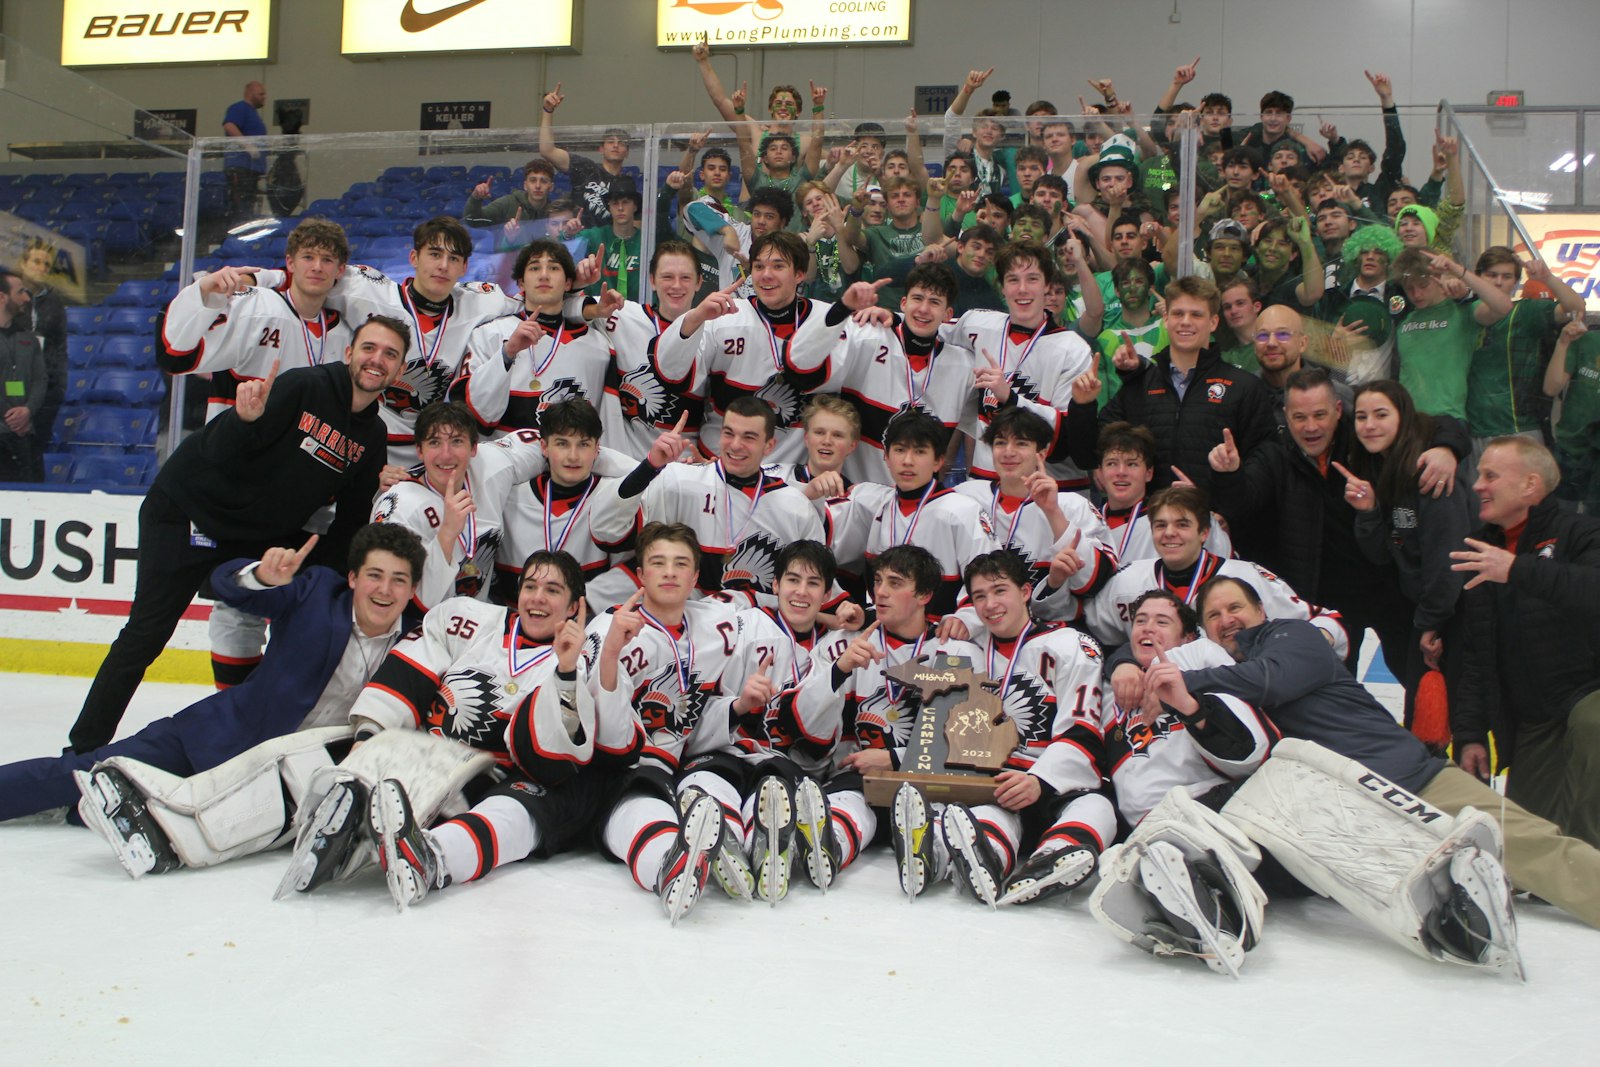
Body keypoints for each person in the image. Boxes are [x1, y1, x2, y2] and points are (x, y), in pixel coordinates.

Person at [1174, 575, 1600, 929]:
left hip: (1413, 780)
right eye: (1214, 615)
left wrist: (1178, 681)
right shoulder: (1226, 680)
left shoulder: (1292, 636)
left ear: (1260, 612)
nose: (1227, 620)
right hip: (1354, 814)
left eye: (1235, 609)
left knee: (1535, 849)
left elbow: (1271, 680)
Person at [65, 316, 408, 753]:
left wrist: (337, 584)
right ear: (349, 353)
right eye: (369, 348)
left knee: (286, 623)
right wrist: (241, 421)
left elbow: (351, 520)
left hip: (246, 540)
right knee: (146, 635)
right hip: (186, 513)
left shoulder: (372, 434)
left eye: (389, 354)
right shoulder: (304, 387)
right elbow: (217, 450)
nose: (376, 360)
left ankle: (241, 746)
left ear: (398, 370)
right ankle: (81, 753)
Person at [1, 524, 421, 826]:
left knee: (145, 812)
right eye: (374, 576)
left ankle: (87, 811)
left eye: (398, 580)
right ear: (352, 579)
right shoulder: (317, 592)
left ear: (412, 589)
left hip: (272, 783)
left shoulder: (416, 646)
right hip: (215, 739)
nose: (384, 590)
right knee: (85, 774)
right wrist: (261, 577)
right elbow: (227, 583)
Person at [335, 549, 617, 909]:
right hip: (428, 756)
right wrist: (368, 737)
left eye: (553, 590)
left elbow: (557, 759)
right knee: (346, 746)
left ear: (575, 606)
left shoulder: (587, 655)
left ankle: (431, 859)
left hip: (501, 777)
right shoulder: (468, 620)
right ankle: (328, 808)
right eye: (530, 586)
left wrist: (566, 671)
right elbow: (411, 669)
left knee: (517, 807)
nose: (538, 598)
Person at [161, 218, 358, 687]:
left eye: (327, 259)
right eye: (306, 257)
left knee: (296, 595)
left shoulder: (346, 331)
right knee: (239, 599)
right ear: (289, 263)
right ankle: (232, 706)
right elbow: (179, 355)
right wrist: (245, 281)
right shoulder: (256, 307)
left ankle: (274, 705)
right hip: (244, 484)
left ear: (339, 269)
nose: (317, 266)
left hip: (306, 490)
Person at [1207, 367, 1463, 671]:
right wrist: (1228, 474)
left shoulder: (1364, 439)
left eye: (1320, 415)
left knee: (1415, 674)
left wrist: (1447, 449)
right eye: (1299, 417)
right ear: (1286, 415)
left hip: (1388, 586)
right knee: (1336, 691)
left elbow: (1437, 425)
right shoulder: (1275, 455)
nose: (1310, 427)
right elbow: (1242, 501)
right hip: (1325, 599)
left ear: (1339, 410)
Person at [768, 544, 983, 896]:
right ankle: (823, 847)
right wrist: (839, 671)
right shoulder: (842, 645)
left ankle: (933, 856)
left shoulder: (957, 652)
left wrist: (894, 758)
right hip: (856, 780)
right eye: (878, 580)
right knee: (845, 802)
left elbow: (968, 748)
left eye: (895, 583)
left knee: (939, 811)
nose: (880, 592)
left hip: (930, 783)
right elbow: (803, 728)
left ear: (926, 594)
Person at [245, 216, 525, 465]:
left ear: (465, 267)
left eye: (453, 259)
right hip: (367, 443)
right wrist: (257, 276)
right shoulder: (370, 291)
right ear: (414, 258)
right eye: (435, 254)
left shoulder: (480, 301)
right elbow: (313, 276)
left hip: (435, 450)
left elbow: (531, 301)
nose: (443, 266)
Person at [585, 523, 750, 922]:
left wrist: (740, 705)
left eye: (681, 564)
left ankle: (737, 843)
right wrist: (609, 656)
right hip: (617, 768)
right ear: (640, 574)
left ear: (696, 577)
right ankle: (670, 865)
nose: (670, 572)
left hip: (677, 764)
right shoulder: (610, 629)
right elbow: (598, 726)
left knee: (728, 767)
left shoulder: (715, 623)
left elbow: (771, 607)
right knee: (637, 804)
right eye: (658, 563)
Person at [1450, 437, 1600, 851]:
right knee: (1524, 850)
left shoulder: (1581, 532)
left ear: (1530, 486)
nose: (1478, 485)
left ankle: (1591, 871)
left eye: (1490, 476)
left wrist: (1517, 569)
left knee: (1594, 725)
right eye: (1478, 475)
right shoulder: (1482, 549)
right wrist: (1470, 733)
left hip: (1590, 693)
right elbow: (1478, 654)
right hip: (1536, 713)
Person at [1068, 275, 1277, 496]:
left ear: (1213, 322)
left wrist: (1227, 511)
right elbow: (1088, 456)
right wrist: (1083, 406)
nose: (1185, 321)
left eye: (1196, 314)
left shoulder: (1243, 387)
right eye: (1178, 313)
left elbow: (1263, 468)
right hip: (1150, 524)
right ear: (1166, 318)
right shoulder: (1140, 386)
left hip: (1213, 523)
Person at [605, 396, 826, 604]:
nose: (735, 445)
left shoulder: (795, 507)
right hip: (682, 626)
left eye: (748, 437)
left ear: (769, 445)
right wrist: (650, 465)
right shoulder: (679, 481)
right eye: (729, 433)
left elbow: (817, 587)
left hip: (759, 634)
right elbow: (609, 531)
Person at [1341, 380, 1472, 729]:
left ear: (1404, 417)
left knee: (1453, 720)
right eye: (1362, 416)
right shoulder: (1379, 470)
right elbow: (1384, 556)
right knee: (1424, 718)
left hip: (1457, 616)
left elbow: (1448, 560)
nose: (1369, 425)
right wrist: (1368, 513)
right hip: (1423, 611)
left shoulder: (1430, 474)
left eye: (1381, 414)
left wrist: (1432, 622)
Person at [1085, 485, 1346, 655]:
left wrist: (1302, 650)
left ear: (1204, 532)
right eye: (1161, 525)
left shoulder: (1246, 577)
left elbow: (1327, 621)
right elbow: (1093, 635)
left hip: (1237, 697)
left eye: (1182, 524)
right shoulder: (1128, 581)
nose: (1170, 533)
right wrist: (1123, 663)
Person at [658, 230, 840, 461]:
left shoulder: (828, 321)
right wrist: (695, 318)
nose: (766, 275)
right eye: (758, 266)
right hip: (720, 467)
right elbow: (670, 371)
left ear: (800, 274)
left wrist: (882, 317)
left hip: (790, 478)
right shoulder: (724, 317)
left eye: (778, 266)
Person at [452, 239, 610, 438]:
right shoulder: (489, 334)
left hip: (569, 462)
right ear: (521, 282)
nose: (544, 275)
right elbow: (472, 414)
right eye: (535, 268)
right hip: (505, 460)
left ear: (569, 283)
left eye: (553, 268)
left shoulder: (597, 346)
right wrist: (507, 353)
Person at [1467, 248, 1586, 446]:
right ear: (1478, 276)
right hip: (1470, 430)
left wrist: (1547, 278)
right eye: (1491, 275)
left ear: (1515, 282)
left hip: (1517, 430)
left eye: (1506, 277)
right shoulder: (1464, 312)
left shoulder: (1525, 312)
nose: (1498, 282)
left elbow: (1576, 308)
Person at [1391, 247, 1511, 422]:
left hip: (1447, 417)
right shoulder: (1404, 321)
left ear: (1438, 277)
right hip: (1407, 419)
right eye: (1410, 288)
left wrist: (1456, 270)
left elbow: (1504, 306)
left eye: (1424, 285)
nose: (1417, 294)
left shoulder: (1463, 311)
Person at [539, 83, 631, 228]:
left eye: (621, 143)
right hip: (576, 237)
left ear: (627, 152)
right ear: (601, 148)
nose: (615, 145)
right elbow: (547, 150)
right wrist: (547, 111)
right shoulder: (586, 167)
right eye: (610, 141)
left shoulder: (627, 185)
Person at [15, 242, 65, 478]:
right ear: (22, 264)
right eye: (36, 261)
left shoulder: (55, 302)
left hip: (44, 389)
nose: (42, 268)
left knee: (35, 450)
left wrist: (57, 387)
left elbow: (60, 349)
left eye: (47, 264)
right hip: (12, 387)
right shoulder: (9, 297)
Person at [1543, 319, 1600, 511]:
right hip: (1570, 449)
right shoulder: (1587, 341)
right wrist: (1563, 343)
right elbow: (1551, 387)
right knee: (1559, 522)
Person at [0, 270, 43, 483]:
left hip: (24, 434)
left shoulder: (28, 339)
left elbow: (40, 379)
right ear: (2, 297)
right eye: (20, 292)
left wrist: (27, 411)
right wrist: (11, 417)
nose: (26, 298)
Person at [462, 159, 555, 247]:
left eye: (543, 181)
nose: (538, 186)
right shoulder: (507, 203)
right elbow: (471, 220)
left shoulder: (555, 212)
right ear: (525, 185)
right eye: (533, 180)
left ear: (551, 187)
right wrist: (476, 198)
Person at [222, 80, 267, 220]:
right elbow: (229, 125)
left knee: (248, 207)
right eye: (260, 94)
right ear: (250, 94)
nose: (264, 97)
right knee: (241, 207)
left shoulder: (253, 114)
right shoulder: (240, 108)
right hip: (241, 167)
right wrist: (247, 145)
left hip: (252, 168)